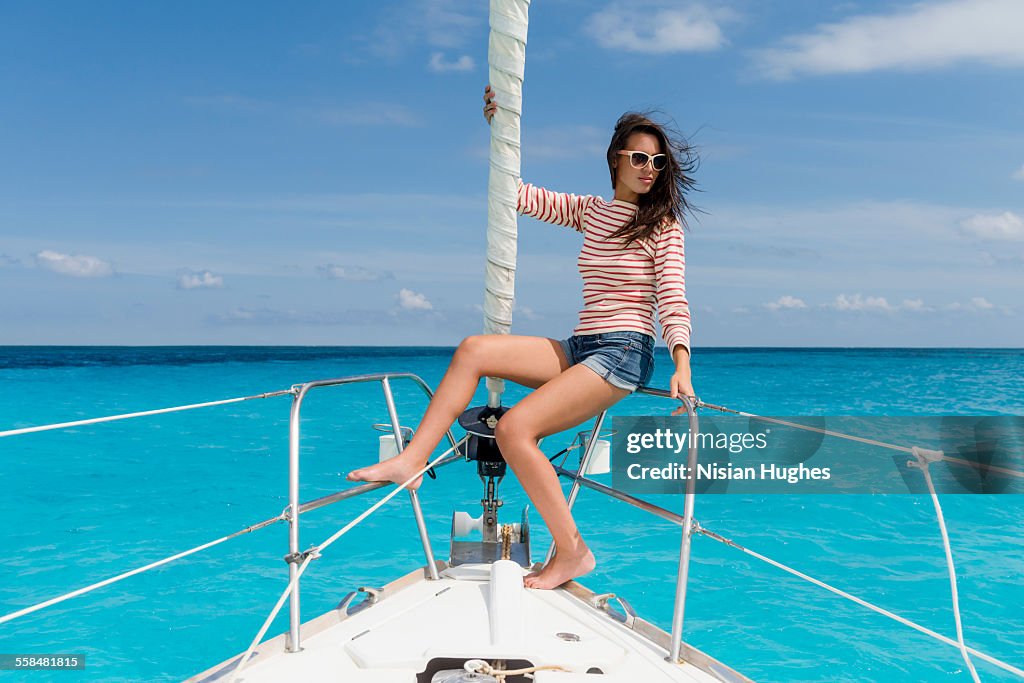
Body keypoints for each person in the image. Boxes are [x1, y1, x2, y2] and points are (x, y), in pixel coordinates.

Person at [347, 85, 698, 590]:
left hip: (624, 352)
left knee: (514, 431)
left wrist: (681, 365)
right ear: (615, 159)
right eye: (640, 157)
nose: (650, 168)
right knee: (474, 350)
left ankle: (573, 552)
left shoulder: (662, 225)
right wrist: (501, 130)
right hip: (583, 346)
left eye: (659, 162)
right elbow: (514, 193)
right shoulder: (591, 212)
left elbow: (673, 297)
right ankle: (411, 459)